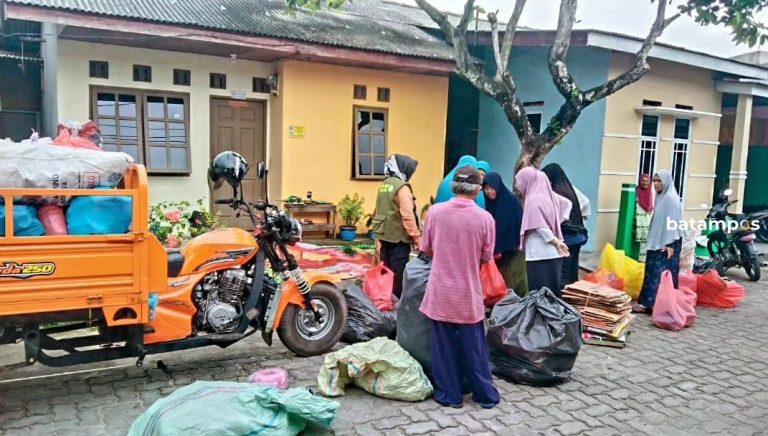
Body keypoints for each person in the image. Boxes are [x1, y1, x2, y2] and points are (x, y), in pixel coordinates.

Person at [419, 166, 500, 409]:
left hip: (440, 291)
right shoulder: (485, 219)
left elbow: (426, 248)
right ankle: (484, 395)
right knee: (474, 348)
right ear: (477, 190)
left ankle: (449, 395)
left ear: (454, 186)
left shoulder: (434, 212)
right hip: (468, 294)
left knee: (442, 347)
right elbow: (487, 257)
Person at [515, 166, 571, 297]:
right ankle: (552, 317)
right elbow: (567, 203)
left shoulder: (534, 200)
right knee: (552, 293)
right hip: (553, 254)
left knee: (540, 295)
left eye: (519, 181)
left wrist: (555, 241)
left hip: (539, 254)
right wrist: (560, 221)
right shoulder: (548, 196)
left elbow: (540, 227)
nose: (518, 186)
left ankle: (543, 318)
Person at [633, 170, 684, 313]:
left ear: (666, 181)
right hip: (660, 241)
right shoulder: (661, 197)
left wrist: (669, 245)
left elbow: (673, 223)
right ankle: (651, 304)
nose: (655, 184)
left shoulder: (671, 200)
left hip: (668, 243)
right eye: (654, 181)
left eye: (658, 181)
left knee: (660, 274)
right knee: (653, 272)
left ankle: (654, 304)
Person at [371, 154, 420, 298]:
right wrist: (417, 238)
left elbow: (376, 211)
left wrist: (377, 240)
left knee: (386, 271)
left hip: (385, 236)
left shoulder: (385, 185)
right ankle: (395, 307)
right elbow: (407, 215)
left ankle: (385, 301)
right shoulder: (401, 187)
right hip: (398, 239)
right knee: (398, 277)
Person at [542, 163, 589, 289]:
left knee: (563, 274)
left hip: (566, 239)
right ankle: (569, 300)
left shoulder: (558, 193)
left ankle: (562, 301)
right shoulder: (568, 190)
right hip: (575, 238)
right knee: (571, 271)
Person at [483, 172, 528, 296]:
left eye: (491, 187)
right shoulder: (488, 204)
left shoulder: (511, 201)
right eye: (485, 188)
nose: (489, 191)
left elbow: (518, 224)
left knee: (513, 280)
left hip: (512, 249)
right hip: (495, 252)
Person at [634, 174, 654, 262]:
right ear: (639, 181)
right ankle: (636, 257)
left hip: (647, 220)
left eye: (647, 181)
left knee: (646, 238)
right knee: (636, 238)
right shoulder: (636, 191)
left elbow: (651, 207)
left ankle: (643, 259)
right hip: (636, 220)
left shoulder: (651, 192)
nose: (645, 183)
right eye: (643, 180)